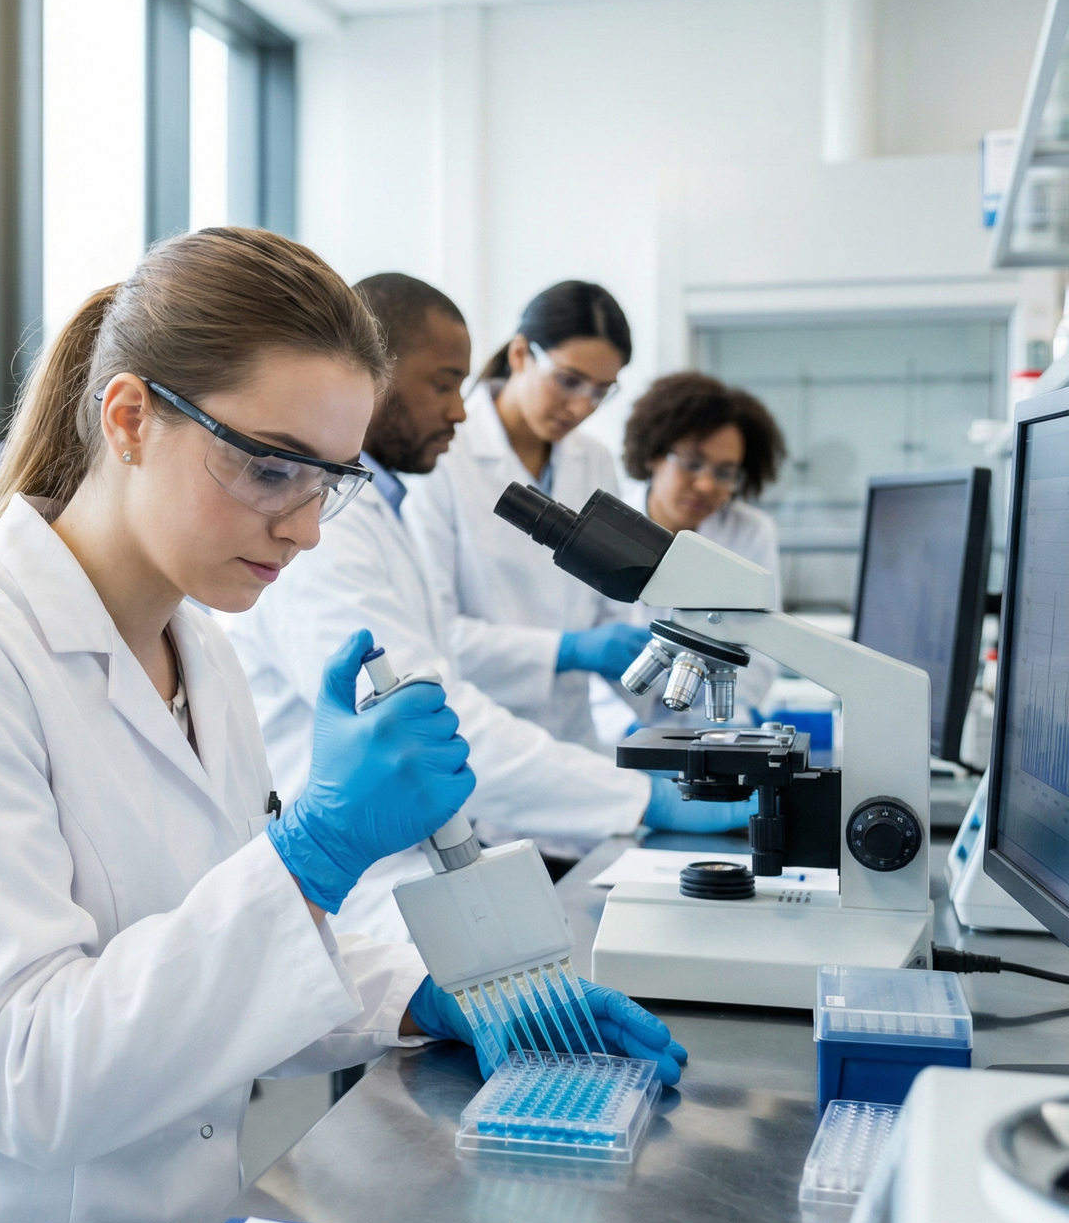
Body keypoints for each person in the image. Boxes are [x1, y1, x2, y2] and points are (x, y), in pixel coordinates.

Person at [0, 229, 683, 1223]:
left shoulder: (199, 653)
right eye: (267, 466)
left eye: (331, 481)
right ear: (130, 418)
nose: (301, 524)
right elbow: (31, 1073)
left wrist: (428, 994)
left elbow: (207, 956)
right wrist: (313, 852)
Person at [224, 272, 754, 944]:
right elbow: (425, 722)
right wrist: (641, 790)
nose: (460, 409)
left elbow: (431, 675)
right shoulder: (331, 534)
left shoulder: (378, 512)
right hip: (365, 888)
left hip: (471, 818)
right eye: (445, 383)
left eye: (602, 392)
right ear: (367, 378)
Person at [404, 280, 651, 750]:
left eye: (602, 391)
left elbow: (614, 606)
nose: (581, 406)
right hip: (476, 739)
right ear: (520, 354)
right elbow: (435, 632)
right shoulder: (443, 455)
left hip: (575, 740)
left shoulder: (593, 460)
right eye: (569, 380)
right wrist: (564, 650)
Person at [602, 370, 788, 733]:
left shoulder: (749, 532)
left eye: (725, 473)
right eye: (691, 463)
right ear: (654, 453)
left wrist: (716, 734)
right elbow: (586, 671)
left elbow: (762, 653)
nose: (705, 484)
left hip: (717, 728)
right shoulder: (605, 531)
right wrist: (626, 729)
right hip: (613, 732)